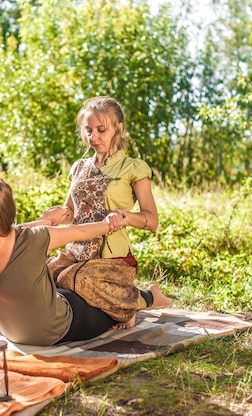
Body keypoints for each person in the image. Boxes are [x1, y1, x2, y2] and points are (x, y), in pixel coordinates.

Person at [0, 175, 166, 346]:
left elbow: (76, 231)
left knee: (107, 305)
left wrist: (111, 224)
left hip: (69, 323)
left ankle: (149, 298)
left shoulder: (33, 241)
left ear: (1, 217)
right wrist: (45, 220)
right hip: (50, 303)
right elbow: (15, 230)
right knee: (66, 279)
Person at [38, 96, 172, 329]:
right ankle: (114, 308)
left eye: (101, 130)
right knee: (45, 274)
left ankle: (143, 300)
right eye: (89, 130)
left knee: (72, 278)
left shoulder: (132, 168)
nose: (94, 137)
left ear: (118, 129)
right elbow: (70, 210)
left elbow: (151, 220)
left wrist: (127, 217)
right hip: (77, 251)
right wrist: (57, 214)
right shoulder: (80, 167)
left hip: (112, 258)